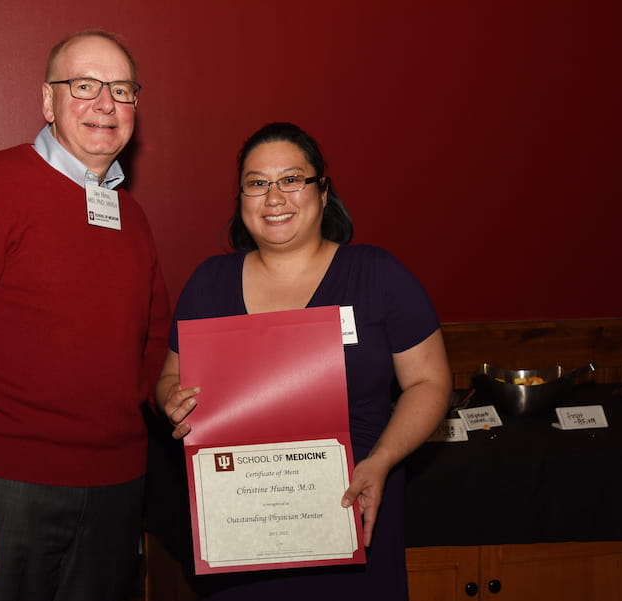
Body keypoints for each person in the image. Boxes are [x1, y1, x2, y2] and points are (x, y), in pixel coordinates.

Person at [0, 30, 170, 601]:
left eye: (121, 90)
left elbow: (151, 341)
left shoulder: (132, 216)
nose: (105, 104)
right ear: (48, 101)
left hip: (118, 487)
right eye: (85, 86)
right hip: (3, 491)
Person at [154, 122, 451, 600]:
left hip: (351, 510)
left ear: (323, 190)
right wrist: (170, 399)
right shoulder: (209, 283)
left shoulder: (377, 275)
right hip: (241, 526)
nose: (274, 197)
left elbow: (430, 383)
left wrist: (382, 462)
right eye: (257, 183)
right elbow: (170, 376)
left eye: (292, 179)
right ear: (241, 196)